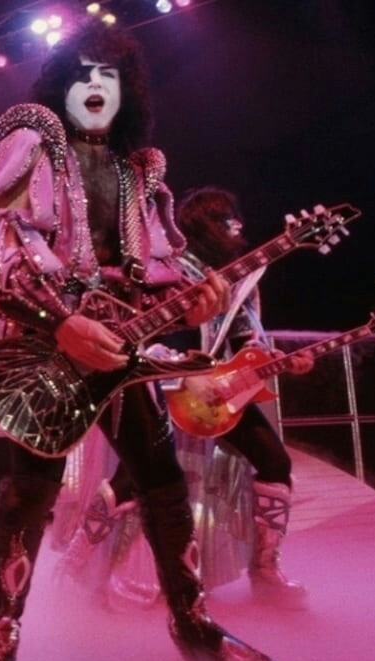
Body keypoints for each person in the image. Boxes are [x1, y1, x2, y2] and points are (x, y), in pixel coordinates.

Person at [0, 21, 277, 661]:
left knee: (161, 481)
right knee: (29, 492)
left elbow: (154, 270)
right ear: (59, 85)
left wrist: (196, 294)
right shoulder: (33, 143)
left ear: (128, 90)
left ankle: (194, 625)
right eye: (83, 72)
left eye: (109, 74)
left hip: (122, 350)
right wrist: (60, 322)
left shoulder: (139, 171)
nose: (96, 85)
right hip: (45, 348)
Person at [53, 187, 315, 610]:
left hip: (214, 392)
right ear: (204, 223)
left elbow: (245, 343)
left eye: (236, 218)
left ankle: (265, 570)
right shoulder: (166, 266)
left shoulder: (241, 277)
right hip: (159, 380)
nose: (238, 227)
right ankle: (80, 562)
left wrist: (281, 361)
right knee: (135, 481)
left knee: (274, 462)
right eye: (227, 218)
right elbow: (136, 326)